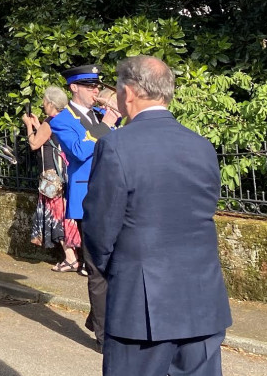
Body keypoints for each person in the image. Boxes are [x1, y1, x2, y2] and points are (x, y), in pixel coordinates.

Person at [84, 56, 231, 376]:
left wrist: (121, 272)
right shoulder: (202, 146)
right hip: (202, 301)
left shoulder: (115, 145)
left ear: (130, 92)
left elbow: (98, 229)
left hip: (141, 307)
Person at [46, 64, 119, 348]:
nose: (96, 91)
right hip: (87, 199)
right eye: (90, 86)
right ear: (74, 88)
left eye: (97, 86)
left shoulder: (103, 115)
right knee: (97, 269)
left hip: (114, 196)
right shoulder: (62, 120)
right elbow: (78, 151)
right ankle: (103, 335)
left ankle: (96, 317)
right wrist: (107, 124)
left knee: (117, 265)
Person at [23, 86, 80, 271]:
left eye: (44, 102)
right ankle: (75, 257)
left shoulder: (50, 122)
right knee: (65, 214)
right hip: (65, 174)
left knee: (57, 216)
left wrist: (29, 125)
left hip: (52, 178)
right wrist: (39, 125)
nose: (42, 104)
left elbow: (34, 143)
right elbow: (52, 139)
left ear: (51, 103)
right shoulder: (65, 119)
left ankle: (70, 258)